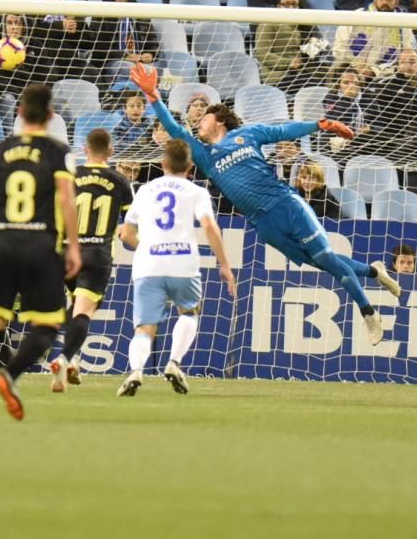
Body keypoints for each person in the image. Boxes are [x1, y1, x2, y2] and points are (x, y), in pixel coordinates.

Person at [131, 62, 401, 344]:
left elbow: (284, 131)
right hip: (262, 223)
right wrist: (153, 96)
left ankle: (369, 313)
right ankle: (373, 271)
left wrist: (320, 124)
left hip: (285, 203)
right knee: (321, 262)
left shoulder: (248, 135)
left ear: (219, 120)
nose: (199, 121)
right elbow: (174, 129)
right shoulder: (204, 154)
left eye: (205, 117)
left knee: (327, 259)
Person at [0, 83, 82, 421]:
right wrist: (73, 245)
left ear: (18, 112)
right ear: (50, 115)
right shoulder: (58, 152)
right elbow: (67, 200)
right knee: (47, 326)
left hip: (3, 244)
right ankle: (10, 374)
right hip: (42, 247)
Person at [115, 137, 235, 396]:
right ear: (190, 167)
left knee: (145, 327)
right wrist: (224, 264)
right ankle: (173, 363)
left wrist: (145, 245)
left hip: (148, 264)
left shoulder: (145, 190)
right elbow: (209, 226)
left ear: (163, 163)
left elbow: (125, 234)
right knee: (189, 312)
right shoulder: (197, 192)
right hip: (183, 263)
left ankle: (136, 370)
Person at [47, 127, 136, 391]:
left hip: (66, 251)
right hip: (97, 253)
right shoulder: (121, 181)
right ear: (110, 151)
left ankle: (73, 359)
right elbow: (129, 224)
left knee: (78, 306)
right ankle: (64, 358)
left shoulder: (69, 176)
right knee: (85, 310)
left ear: (84, 150)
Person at [331, 0, 415, 80]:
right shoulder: (356, 17)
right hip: (348, 73)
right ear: (375, 0)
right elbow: (339, 48)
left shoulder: (404, 26)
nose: (385, 2)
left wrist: (374, 72)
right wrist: (354, 67)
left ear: (396, 2)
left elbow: (404, 58)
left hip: (382, 78)